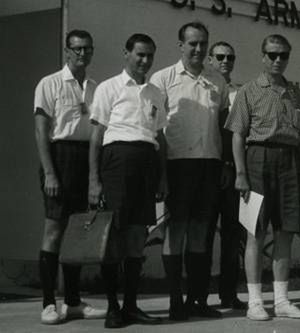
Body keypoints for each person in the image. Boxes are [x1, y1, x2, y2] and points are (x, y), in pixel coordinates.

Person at [224, 34, 300, 321]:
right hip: (257, 159)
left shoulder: (297, 94)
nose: (277, 60)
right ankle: (255, 302)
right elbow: (237, 135)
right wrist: (241, 174)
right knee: (255, 233)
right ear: (263, 56)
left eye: (283, 55)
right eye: (272, 55)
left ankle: (282, 300)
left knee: (285, 231)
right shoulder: (248, 91)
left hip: (289, 162)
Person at [150, 21, 229, 320]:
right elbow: (155, 129)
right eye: (192, 43)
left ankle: (197, 299)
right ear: (180, 45)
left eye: (203, 43)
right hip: (177, 165)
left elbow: (223, 128)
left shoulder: (217, 81)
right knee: (176, 230)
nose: (198, 49)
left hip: (209, 164)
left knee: (200, 233)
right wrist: (160, 173)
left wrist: (225, 164)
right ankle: (174, 301)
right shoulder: (163, 79)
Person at [89, 33, 167, 328]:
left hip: (146, 163)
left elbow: (160, 137)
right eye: (140, 55)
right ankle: (112, 307)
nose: (145, 61)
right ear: (127, 54)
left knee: (137, 237)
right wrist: (93, 181)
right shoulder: (109, 87)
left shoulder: (156, 92)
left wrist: (163, 179)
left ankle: (131, 306)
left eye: (150, 56)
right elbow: (96, 138)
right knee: (113, 238)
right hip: (117, 164)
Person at [34, 29, 106, 325]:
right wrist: (50, 172)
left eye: (87, 49)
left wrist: (94, 175)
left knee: (78, 232)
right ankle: (49, 303)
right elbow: (41, 130)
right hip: (59, 157)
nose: (82, 54)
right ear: (67, 51)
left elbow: (98, 131)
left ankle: (74, 301)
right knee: (54, 230)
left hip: (86, 158)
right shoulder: (49, 83)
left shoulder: (95, 87)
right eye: (76, 49)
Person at [207, 41, 248, 310]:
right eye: (220, 56)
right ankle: (198, 294)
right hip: (208, 170)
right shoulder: (204, 88)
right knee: (205, 232)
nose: (225, 61)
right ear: (210, 59)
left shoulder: (240, 92)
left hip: (233, 171)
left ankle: (228, 293)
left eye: (230, 57)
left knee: (233, 235)